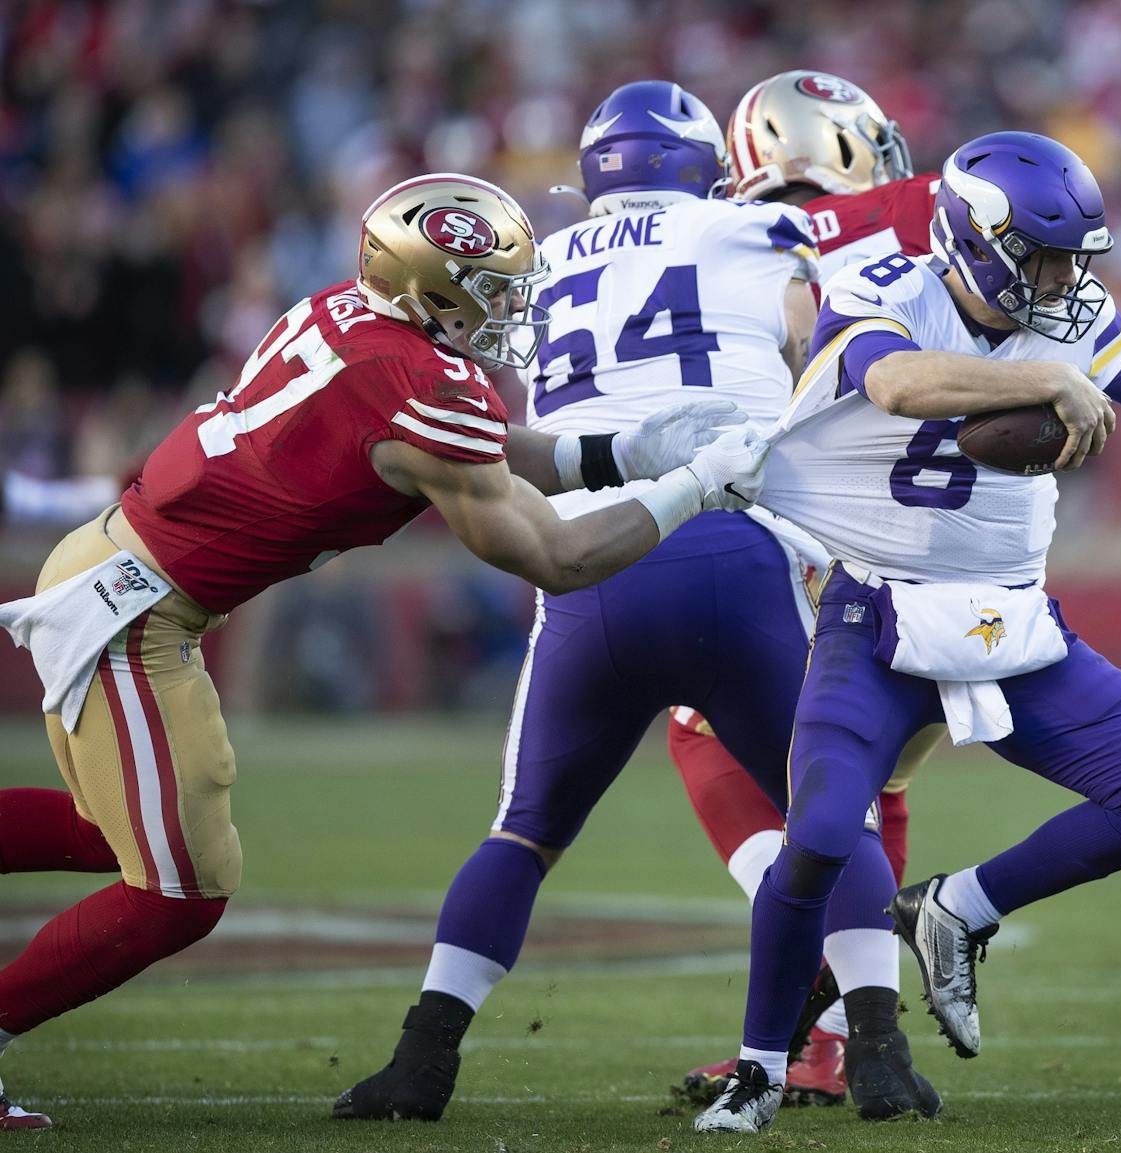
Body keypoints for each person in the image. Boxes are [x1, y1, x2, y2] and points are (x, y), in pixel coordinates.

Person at [0, 172, 763, 1131]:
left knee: (112, 830)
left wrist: (623, 455)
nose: (512, 306)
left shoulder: (349, 318)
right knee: (181, 891)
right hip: (134, 615)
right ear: (430, 287)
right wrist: (695, 483)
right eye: (493, 287)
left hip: (118, 570)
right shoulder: (417, 386)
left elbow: (477, 449)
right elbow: (558, 556)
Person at [692, 131, 1121, 1134]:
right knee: (823, 833)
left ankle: (955, 907)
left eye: (1069, 258)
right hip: (870, 609)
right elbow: (894, 384)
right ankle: (758, 1065)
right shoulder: (881, 284)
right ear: (971, 241)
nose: (1060, 278)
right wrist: (1043, 383)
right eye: (1041, 256)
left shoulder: (1070, 313)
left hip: (1006, 614)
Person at [335, 81, 939, 1127]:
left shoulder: (546, 257)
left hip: (582, 563)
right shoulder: (750, 227)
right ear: (702, 164)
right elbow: (871, 259)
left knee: (521, 833)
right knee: (822, 814)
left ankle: (420, 1060)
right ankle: (874, 1051)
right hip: (729, 553)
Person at [674, 69, 942, 1109]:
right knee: (871, 779)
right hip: (926, 546)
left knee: (711, 731)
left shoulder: (748, 251)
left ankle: (831, 986)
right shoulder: (904, 237)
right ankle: (836, 1026)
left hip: (818, 534)